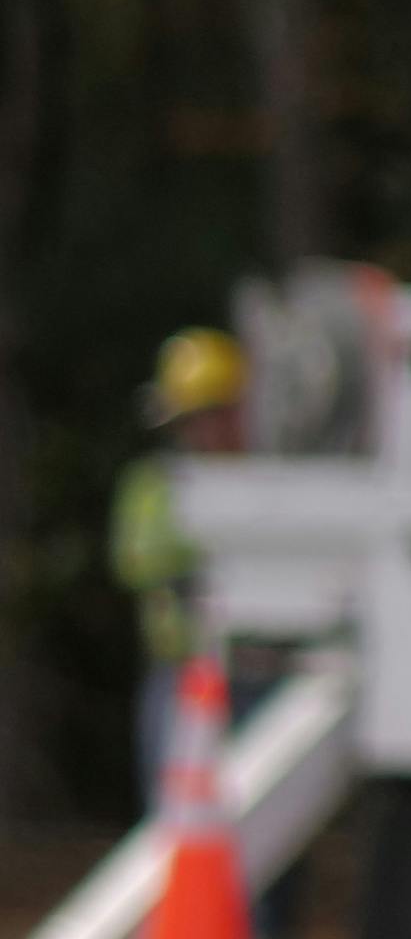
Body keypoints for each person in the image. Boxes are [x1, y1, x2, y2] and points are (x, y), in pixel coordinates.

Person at [111, 327, 242, 792]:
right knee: (175, 812)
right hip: (179, 671)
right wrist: (205, 545)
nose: (204, 431)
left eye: (214, 416)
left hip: (252, 673)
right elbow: (135, 559)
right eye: (192, 419)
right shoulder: (154, 483)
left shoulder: (264, 484)